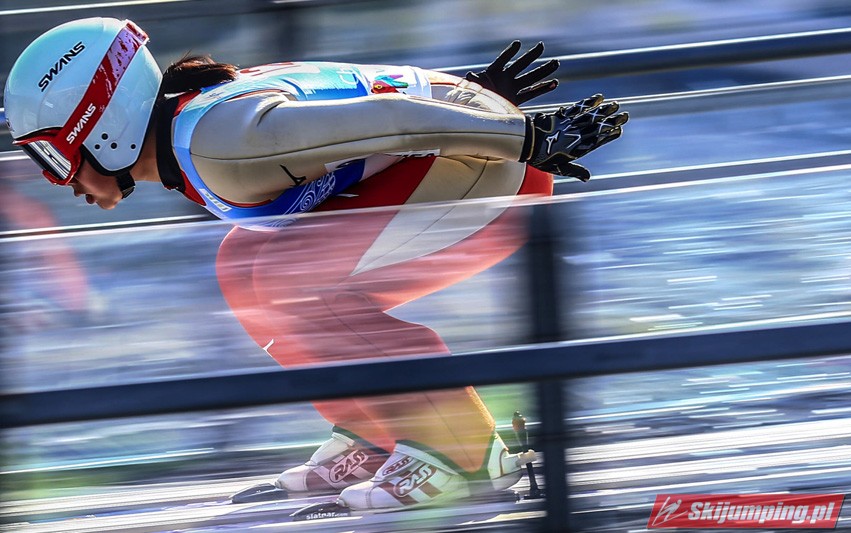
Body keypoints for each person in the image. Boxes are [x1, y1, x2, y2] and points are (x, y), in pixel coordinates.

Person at [4, 17, 628, 511]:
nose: (60, 182)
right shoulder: (195, 131)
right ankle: (380, 431)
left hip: (502, 173)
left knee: (290, 279)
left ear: (103, 126)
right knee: (243, 260)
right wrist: (476, 102)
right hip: (462, 156)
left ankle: (462, 455)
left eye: (53, 157)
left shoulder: (220, 142)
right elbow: (368, 107)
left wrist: (526, 136)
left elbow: (392, 118)